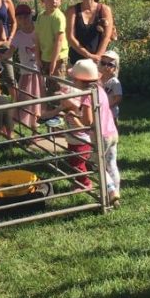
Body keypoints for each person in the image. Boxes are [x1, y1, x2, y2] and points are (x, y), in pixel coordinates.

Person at [60, 59, 116, 196]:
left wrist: (73, 116)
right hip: (112, 132)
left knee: (99, 166)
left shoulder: (87, 96)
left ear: (80, 80)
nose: (72, 81)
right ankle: (116, 193)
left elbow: (88, 121)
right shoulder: (100, 89)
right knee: (112, 165)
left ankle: (111, 192)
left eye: (73, 79)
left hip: (100, 135)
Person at [0, 4, 43, 132]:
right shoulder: (18, 35)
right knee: (23, 101)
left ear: (31, 16)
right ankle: (9, 127)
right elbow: (10, 52)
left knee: (38, 103)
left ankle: (35, 128)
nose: (24, 20)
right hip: (26, 72)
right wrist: (0, 56)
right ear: (17, 19)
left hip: (39, 71)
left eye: (26, 17)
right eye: (20, 18)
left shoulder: (38, 31)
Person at [66, 0, 114, 65]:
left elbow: (106, 36)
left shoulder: (104, 10)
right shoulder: (72, 11)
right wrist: (89, 56)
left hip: (98, 62)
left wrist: (98, 57)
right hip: (76, 62)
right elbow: (70, 37)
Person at [34, 0, 69, 105]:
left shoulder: (58, 17)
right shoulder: (40, 16)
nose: (54, 1)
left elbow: (59, 41)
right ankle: (51, 111)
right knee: (49, 85)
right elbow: (37, 38)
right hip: (46, 56)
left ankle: (60, 111)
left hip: (58, 58)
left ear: (61, 0)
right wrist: (37, 57)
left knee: (59, 86)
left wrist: (54, 62)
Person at [100, 50, 123, 122]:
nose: (106, 67)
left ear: (115, 68)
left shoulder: (114, 82)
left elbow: (118, 98)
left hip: (111, 111)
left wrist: (107, 106)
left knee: (112, 129)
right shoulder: (98, 79)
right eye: (103, 63)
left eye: (110, 65)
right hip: (99, 110)